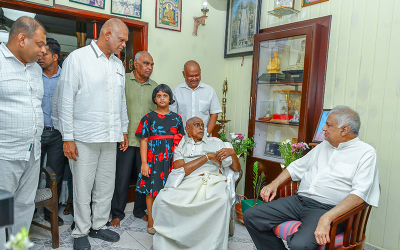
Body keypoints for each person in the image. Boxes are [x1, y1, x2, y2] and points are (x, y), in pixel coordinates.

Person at [243, 106, 380, 250]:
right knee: (252, 216)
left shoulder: (366, 153)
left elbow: (360, 195)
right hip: (299, 201)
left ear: (344, 130)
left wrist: (327, 217)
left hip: (327, 208)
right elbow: (295, 167)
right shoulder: (324, 146)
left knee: (300, 245)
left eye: (328, 125)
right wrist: (274, 184)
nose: (323, 128)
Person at [55, 18, 129, 250]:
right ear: (107, 34)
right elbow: (65, 100)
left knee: (106, 185)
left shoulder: (118, 64)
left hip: (109, 136)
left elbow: (121, 101)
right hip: (83, 137)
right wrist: (68, 137)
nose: (123, 45)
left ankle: (98, 225)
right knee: (83, 186)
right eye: (121, 39)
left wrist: (123, 129)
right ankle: (80, 231)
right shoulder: (78, 59)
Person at [152, 117, 241, 250]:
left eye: (202, 126)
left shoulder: (216, 142)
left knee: (221, 200)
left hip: (213, 179)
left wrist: (233, 153)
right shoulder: (181, 145)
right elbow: (181, 169)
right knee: (163, 199)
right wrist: (207, 157)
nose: (201, 128)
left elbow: (236, 169)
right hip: (189, 180)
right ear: (187, 129)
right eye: (196, 125)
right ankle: (175, 242)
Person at [0, 16, 46, 247]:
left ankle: (16, 246)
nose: (43, 49)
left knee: (24, 206)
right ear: (21, 39)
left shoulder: (36, 69)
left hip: (33, 151)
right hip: (5, 153)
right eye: (39, 44)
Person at [110, 51, 158, 228]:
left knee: (143, 178)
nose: (149, 68)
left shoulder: (155, 87)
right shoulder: (122, 82)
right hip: (126, 140)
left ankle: (139, 211)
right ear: (135, 64)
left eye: (152, 64)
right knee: (121, 178)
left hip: (146, 142)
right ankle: (117, 213)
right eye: (146, 63)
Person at [135, 84, 185, 235]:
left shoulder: (177, 119)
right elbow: (143, 141)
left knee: (171, 189)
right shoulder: (148, 118)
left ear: (170, 99)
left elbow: (182, 142)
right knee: (152, 190)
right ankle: (151, 219)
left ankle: (168, 219)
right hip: (154, 160)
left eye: (165, 95)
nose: (162, 98)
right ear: (154, 99)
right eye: (159, 95)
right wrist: (144, 163)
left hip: (172, 159)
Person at [37, 37, 67, 225]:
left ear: (55, 57)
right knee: (31, 173)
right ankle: (29, 211)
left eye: (44, 53)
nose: (40, 56)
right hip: (37, 132)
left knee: (55, 174)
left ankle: (51, 213)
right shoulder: (33, 73)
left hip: (57, 133)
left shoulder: (66, 77)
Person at [170, 60, 222, 136]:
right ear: (184, 74)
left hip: (204, 139)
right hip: (183, 138)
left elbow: (214, 114)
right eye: (190, 76)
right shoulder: (175, 92)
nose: (194, 79)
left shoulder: (209, 91)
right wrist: (178, 136)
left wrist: (206, 134)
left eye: (197, 75)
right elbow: (172, 117)